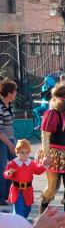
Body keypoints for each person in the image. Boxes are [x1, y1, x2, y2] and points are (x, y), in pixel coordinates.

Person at [38, 82, 65, 214]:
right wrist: (46, 155)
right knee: (52, 188)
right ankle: (42, 214)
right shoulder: (52, 113)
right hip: (54, 153)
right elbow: (45, 135)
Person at [3, 139, 49, 218]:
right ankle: (18, 225)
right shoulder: (13, 163)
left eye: (27, 152)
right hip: (16, 190)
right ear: (17, 152)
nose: (25, 154)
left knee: (27, 209)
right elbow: (5, 174)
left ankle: (20, 222)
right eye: (22, 152)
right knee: (19, 212)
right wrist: (9, 173)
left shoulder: (31, 163)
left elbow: (38, 171)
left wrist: (44, 165)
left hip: (28, 190)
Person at [0, 77, 17, 207]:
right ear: (9, 93)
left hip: (10, 139)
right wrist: (9, 143)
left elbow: (10, 125)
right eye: (14, 91)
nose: (16, 93)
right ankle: (1, 197)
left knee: (14, 166)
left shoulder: (10, 105)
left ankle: (8, 194)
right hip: (2, 141)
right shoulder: (0, 106)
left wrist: (13, 141)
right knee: (2, 168)